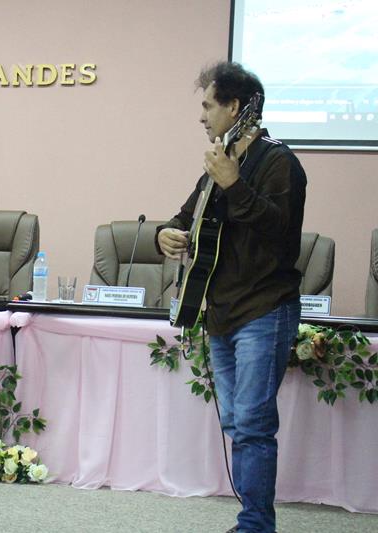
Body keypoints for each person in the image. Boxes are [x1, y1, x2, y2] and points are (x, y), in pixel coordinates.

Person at [156, 62, 307, 533]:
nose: (202, 116)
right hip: (220, 313)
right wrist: (167, 234)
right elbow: (183, 219)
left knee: (255, 424)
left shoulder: (279, 162)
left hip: (265, 309)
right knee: (238, 423)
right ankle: (253, 520)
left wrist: (233, 184)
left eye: (208, 105)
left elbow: (280, 232)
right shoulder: (219, 162)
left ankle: (255, 525)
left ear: (234, 106)